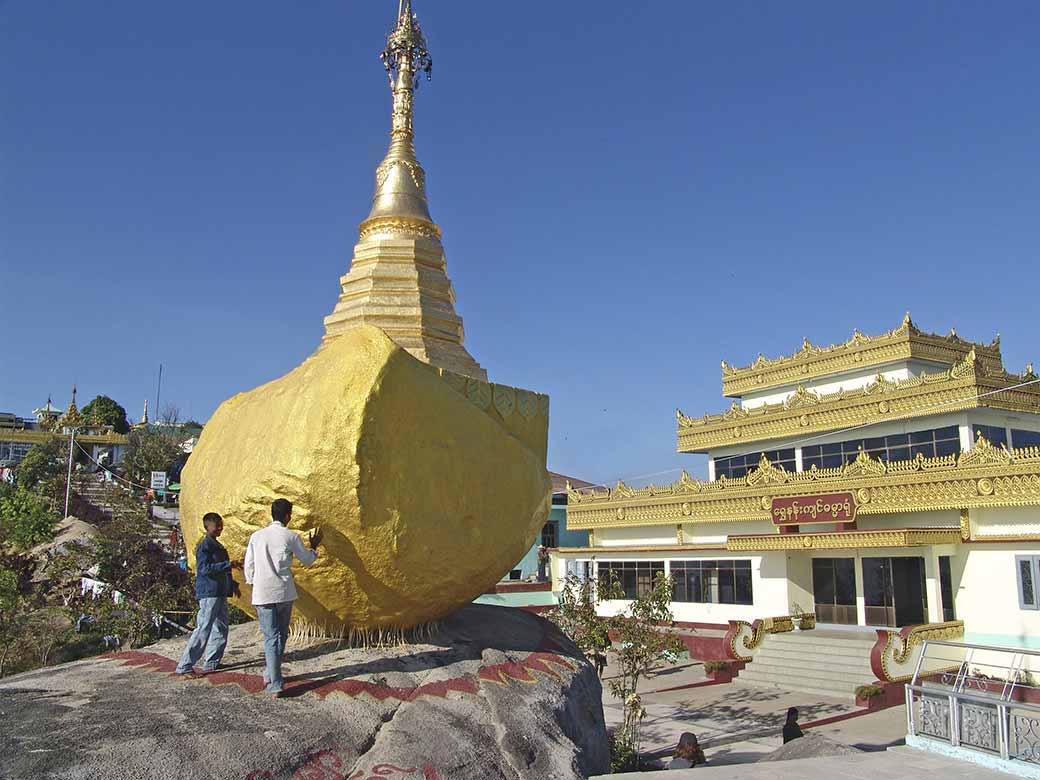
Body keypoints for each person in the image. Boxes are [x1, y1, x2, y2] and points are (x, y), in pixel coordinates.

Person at [244, 498, 322, 697]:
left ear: (272, 514)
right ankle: (275, 683)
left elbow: (249, 566)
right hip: (283, 592)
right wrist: (314, 547)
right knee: (280, 635)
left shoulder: (257, 536)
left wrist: (256, 583)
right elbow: (308, 560)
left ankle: (271, 674)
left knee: (272, 637)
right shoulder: (290, 537)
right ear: (288, 515)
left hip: (263, 593)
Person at [175, 512, 239, 676]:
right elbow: (204, 569)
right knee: (204, 627)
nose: (219, 528)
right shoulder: (205, 547)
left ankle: (211, 662)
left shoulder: (216, 546)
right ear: (207, 527)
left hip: (219, 592)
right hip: (210, 592)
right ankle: (185, 666)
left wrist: (232, 584)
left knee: (221, 628)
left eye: (220, 525)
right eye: (216, 525)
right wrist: (227, 565)